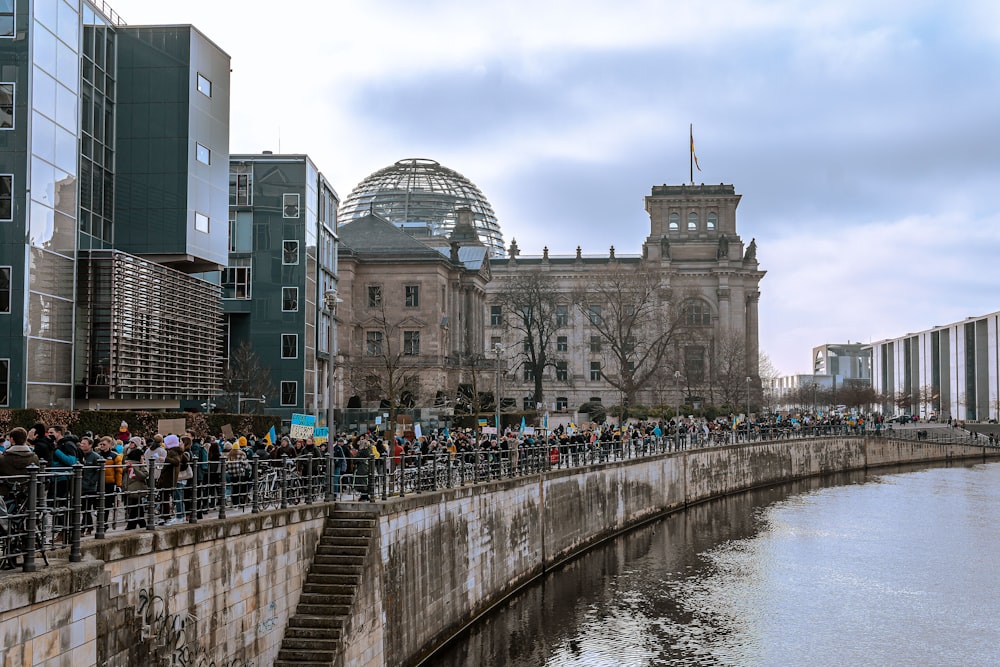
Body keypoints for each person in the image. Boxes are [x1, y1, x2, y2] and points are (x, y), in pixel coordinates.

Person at [0, 427, 39, 497]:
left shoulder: (3, 458)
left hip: (6, 492)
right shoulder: (34, 458)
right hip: (27, 492)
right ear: (25, 439)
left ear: (12, 440)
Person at [78, 436, 102, 535]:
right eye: (81, 443)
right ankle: (89, 526)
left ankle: (85, 528)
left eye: (84, 444)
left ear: (90, 445)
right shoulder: (79, 455)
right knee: (83, 508)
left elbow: (98, 471)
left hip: (90, 487)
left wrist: (92, 482)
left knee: (86, 508)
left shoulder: (95, 457)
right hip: (80, 486)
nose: (82, 445)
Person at [97, 436, 123, 528]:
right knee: (98, 504)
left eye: (104, 444)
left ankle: (103, 524)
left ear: (110, 445)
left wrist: (118, 485)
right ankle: (100, 523)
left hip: (109, 483)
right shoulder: (98, 455)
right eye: (101, 444)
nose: (102, 446)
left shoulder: (114, 456)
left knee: (107, 504)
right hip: (99, 483)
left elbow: (119, 471)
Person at [123, 448, 148, 530]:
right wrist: (142, 465)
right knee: (136, 506)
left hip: (129, 488)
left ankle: (139, 523)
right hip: (136, 488)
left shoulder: (127, 464)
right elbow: (144, 475)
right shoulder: (137, 465)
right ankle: (135, 524)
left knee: (137, 506)